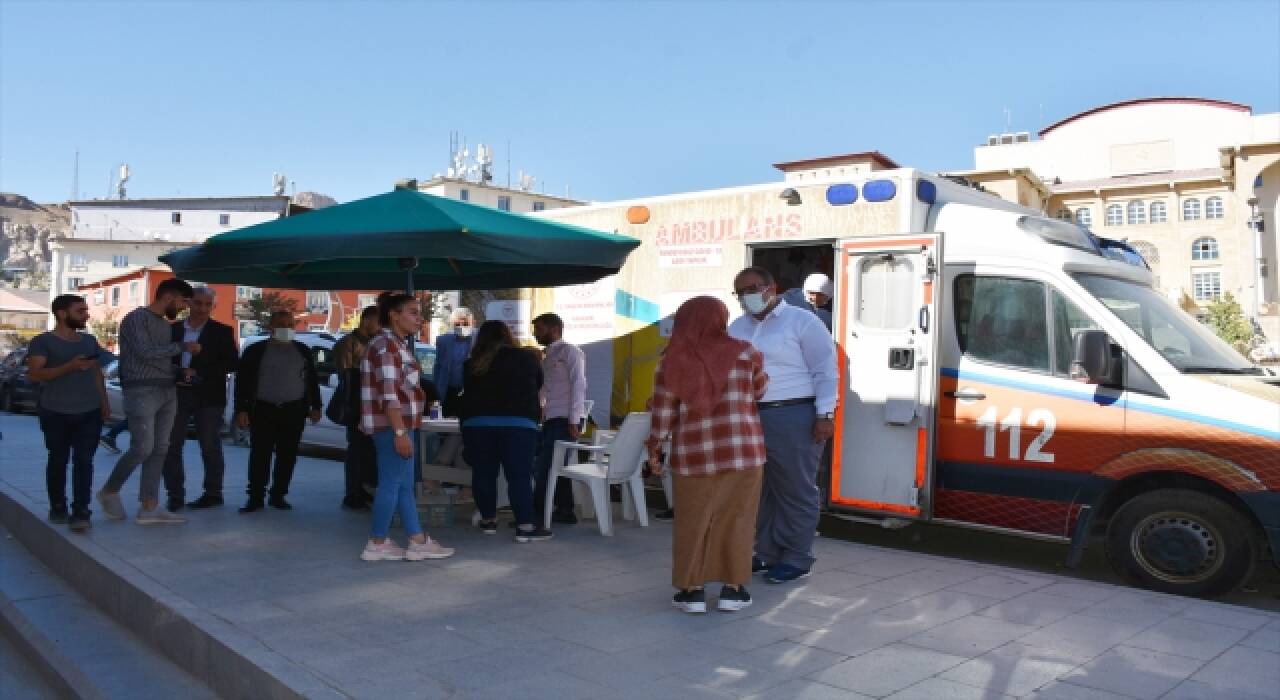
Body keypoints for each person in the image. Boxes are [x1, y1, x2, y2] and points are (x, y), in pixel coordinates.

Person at [648, 297, 768, 614]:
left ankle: (693, 592)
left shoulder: (671, 358)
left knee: (692, 521)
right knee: (738, 520)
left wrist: (655, 446)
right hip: (744, 452)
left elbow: (662, 411)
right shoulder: (746, 352)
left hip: (693, 454)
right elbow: (758, 392)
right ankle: (734, 590)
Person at [728, 266, 838, 584]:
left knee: (795, 490)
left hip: (794, 415)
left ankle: (797, 557)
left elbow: (825, 371)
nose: (748, 296)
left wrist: (824, 415)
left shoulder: (803, 321)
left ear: (772, 287)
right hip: (749, 416)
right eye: (741, 291)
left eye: (753, 288)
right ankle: (766, 553)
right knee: (760, 491)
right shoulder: (737, 327)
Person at [360, 293, 454, 561]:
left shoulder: (392, 345)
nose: (418, 318)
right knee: (392, 484)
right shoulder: (386, 347)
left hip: (396, 425)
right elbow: (388, 394)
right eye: (412, 312)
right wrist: (400, 432)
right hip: (394, 426)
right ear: (394, 314)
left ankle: (416, 539)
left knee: (402, 485)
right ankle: (377, 541)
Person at [97, 278, 197, 525]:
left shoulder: (164, 324)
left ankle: (149, 506)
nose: (185, 308)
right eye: (184, 302)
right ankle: (109, 490)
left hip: (167, 390)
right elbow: (144, 353)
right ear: (169, 297)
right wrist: (183, 347)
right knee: (142, 447)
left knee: (160, 448)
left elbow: (158, 359)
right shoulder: (136, 318)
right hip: (141, 390)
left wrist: (178, 372)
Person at [459, 320, 551, 542]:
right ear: (507, 335)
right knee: (519, 476)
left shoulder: (471, 363)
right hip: (518, 424)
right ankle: (525, 527)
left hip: (477, 424)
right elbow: (537, 385)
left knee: (483, 473)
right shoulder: (526, 358)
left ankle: (488, 521)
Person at [27, 295, 112, 531]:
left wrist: (104, 402)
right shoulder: (42, 342)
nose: (86, 314)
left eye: (86, 310)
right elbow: (35, 374)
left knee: (84, 461)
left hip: (89, 411)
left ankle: (81, 511)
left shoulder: (89, 341)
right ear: (63, 314)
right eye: (80, 310)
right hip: (55, 411)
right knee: (58, 460)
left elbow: (96, 373)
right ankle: (58, 507)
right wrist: (70, 367)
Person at [233, 310, 322, 513]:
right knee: (260, 454)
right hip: (263, 408)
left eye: (290, 324)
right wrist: (241, 409)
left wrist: (316, 406)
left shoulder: (302, 350)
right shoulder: (255, 350)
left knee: (288, 455)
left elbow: (312, 380)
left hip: (294, 409)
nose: (286, 328)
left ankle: (279, 495)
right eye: (281, 324)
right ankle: (255, 497)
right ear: (270, 327)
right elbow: (243, 382)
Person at [162, 287, 238, 511]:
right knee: (171, 445)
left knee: (210, 446)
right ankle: (175, 495)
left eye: (207, 304)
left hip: (209, 396)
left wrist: (200, 371)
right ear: (188, 303)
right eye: (197, 303)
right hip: (175, 394)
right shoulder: (172, 330)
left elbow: (232, 363)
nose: (202, 309)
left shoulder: (222, 331)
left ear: (213, 306)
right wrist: (178, 371)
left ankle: (213, 494)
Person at [531, 312, 585, 525]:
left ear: (554, 329)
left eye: (539, 329)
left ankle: (536, 515)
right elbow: (545, 387)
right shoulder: (547, 356)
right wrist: (539, 408)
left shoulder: (571, 351)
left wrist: (574, 419)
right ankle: (565, 510)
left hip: (566, 418)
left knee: (544, 467)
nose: (535, 334)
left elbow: (579, 384)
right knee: (556, 465)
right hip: (552, 417)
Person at [333, 305, 379, 511]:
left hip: (374, 404)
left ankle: (367, 489)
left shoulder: (376, 342)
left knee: (370, 451)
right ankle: (353, 493)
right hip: (357, 405)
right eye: (379, 322)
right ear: (367, 320)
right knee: (357, 450)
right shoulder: (348, 343)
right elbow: (346, 376)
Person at [431, 307, 475, 417]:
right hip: (448, 390)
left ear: (472, 323)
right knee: (445, 426)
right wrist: (436, 392)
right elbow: (438, 366)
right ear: (452, 324)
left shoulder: (479, 339)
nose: (461, 327)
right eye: (457, 324)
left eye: (465, 324)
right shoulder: (443, 340)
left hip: (470, 390)